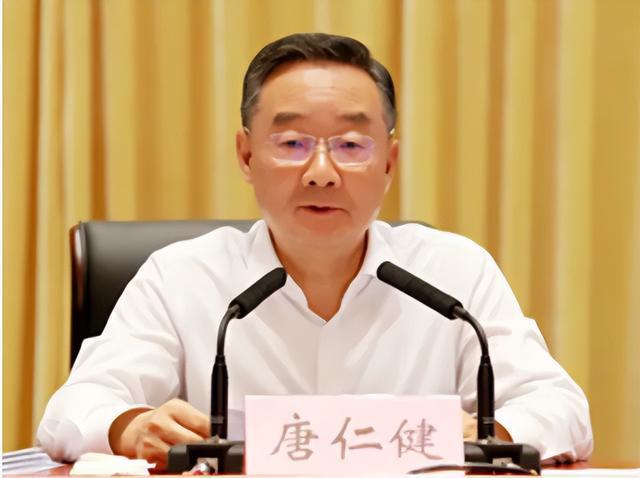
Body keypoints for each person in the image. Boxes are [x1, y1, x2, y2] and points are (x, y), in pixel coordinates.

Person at [37, 33, 593, 469]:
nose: (321, 172)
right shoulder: (182, 276)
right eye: (292, 142)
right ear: (246, 155)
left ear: (389, 163)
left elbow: (560, 407)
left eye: (350, 144)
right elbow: (71, 410)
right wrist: (129, 427)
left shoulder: (455, 273)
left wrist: (491, 434)